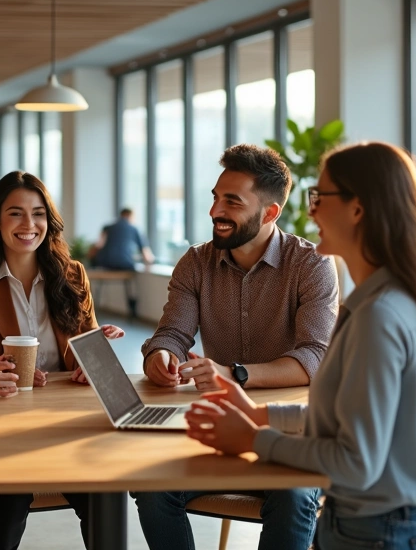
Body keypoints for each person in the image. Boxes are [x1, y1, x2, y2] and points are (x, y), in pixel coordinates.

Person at [186, 141, 416, 550]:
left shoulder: (380, 316)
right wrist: (259, 415)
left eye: (319, 197)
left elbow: (356, 463)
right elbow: (351, 419)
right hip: (388, 528)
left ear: (357, 209)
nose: (310, 211)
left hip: (384, 534)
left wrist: (252, 440)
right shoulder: (387, 300)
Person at [132, 144, 338, 550]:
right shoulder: (195, 262)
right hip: (220, 430)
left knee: (295, 495)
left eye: (232, 202)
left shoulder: (311, 265)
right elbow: (172, 333)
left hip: (287, 431)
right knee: (151, 488)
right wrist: (162, 358)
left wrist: (233, 374)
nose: (214, 211)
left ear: (270, 213)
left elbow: (314, 358)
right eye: (215, 198)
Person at [0, 171, 125, 550]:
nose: (29, 225)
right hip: (1, 430)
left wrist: (94, 360)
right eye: (16, 213)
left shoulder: (73, 276)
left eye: (38, 213)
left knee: (104, 496)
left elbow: (90, 362)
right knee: (10, 498)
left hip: (66, 426)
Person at [91, 208, 154, 317]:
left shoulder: (108, 227)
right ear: (131, 216)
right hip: (124, 264)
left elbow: (99, 245)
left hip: (106, 264)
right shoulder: (134, 229)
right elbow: (146, 254)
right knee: (132, 283)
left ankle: (94, 311)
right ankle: (132, 311)